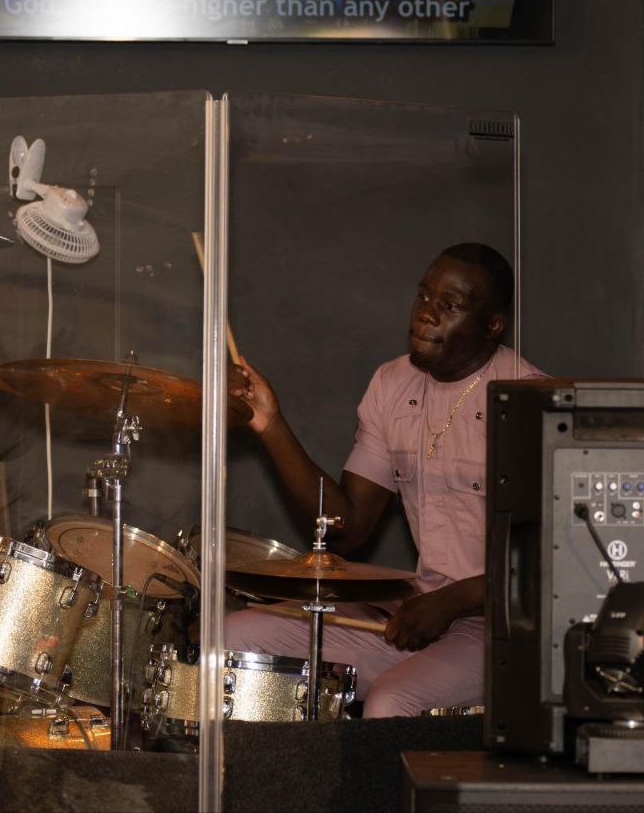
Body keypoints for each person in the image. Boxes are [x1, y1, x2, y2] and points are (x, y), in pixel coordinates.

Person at [225, 243, 544, 718]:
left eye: (450, 305)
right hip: (418, 611)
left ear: (493, 326)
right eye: (424, 296)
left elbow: (551, 561)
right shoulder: (392, 384)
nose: (426, 313)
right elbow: (347, 527)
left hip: (505, 625)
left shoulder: (529, 400)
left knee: (392, 702)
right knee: (233, 638)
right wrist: (271, 426)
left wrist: (453, 601)